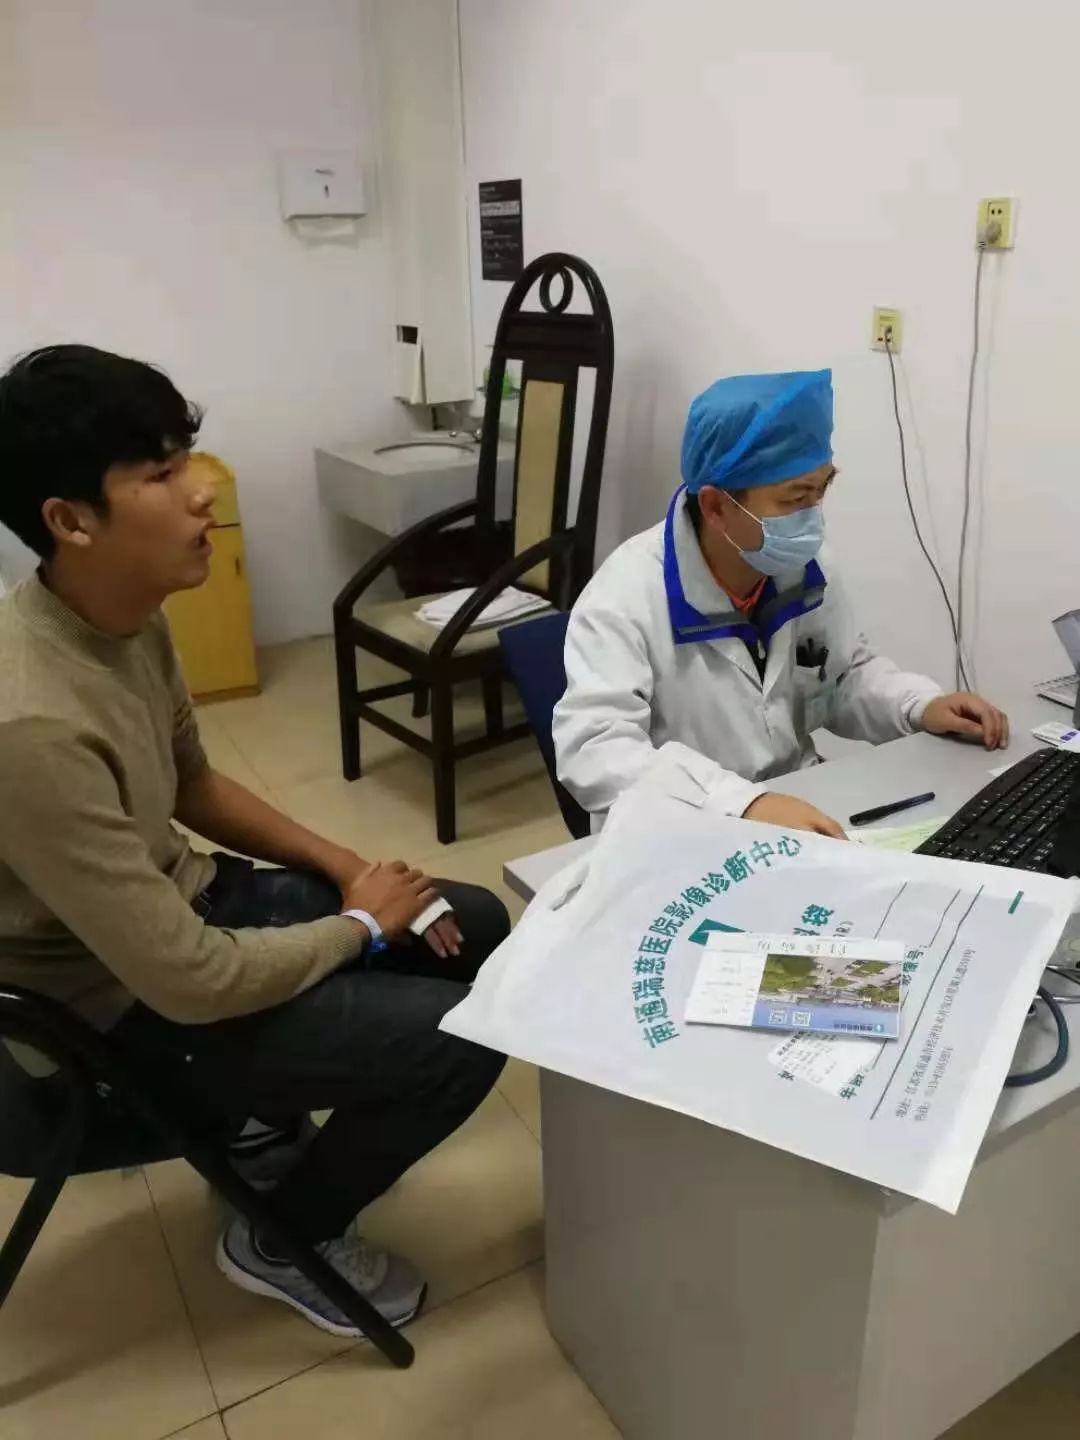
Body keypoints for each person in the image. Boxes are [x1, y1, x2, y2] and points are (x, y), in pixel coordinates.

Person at [0, 344, 510, 1339]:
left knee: (474, 921)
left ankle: (265, 1120)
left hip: (179, 912)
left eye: (185, 459)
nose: (200, 492)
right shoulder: (33, 725)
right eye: (160, 474)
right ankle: (284, 1239)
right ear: (70, 522)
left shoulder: (125, 617)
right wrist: (360, 925)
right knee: (464, 1039)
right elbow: (189, 982)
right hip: (114, 1014)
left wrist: (347, 869)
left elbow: (193, 780)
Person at [553, 368, 1009, 834]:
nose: (812, 516)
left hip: (796, 808)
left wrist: (919, 705)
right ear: (716, 506)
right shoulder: (625, 597)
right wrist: (742, 803)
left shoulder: (805, 567)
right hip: (683, 831)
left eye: (822, 489)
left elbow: (844, 675)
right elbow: (596, 749)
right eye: (794, 499)